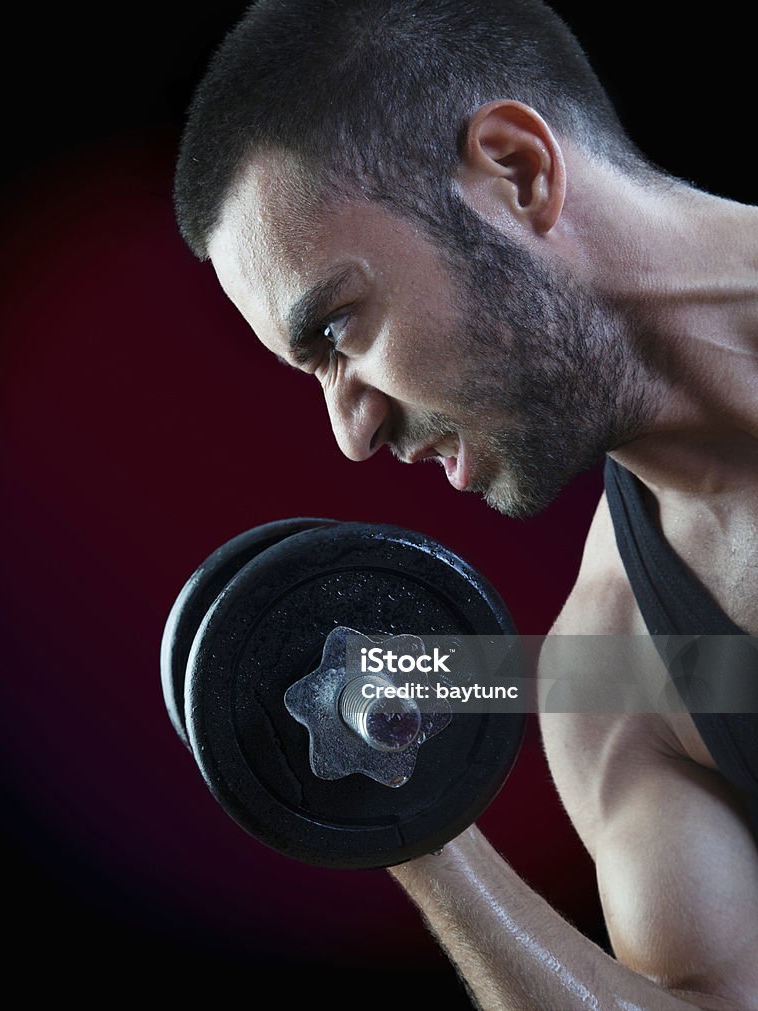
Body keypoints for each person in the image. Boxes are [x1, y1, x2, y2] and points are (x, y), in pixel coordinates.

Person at [173, 0, 758, 1006]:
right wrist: (398, 824)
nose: (350, 431)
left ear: (516, 174)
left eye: (339, 330)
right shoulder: (618, 675)